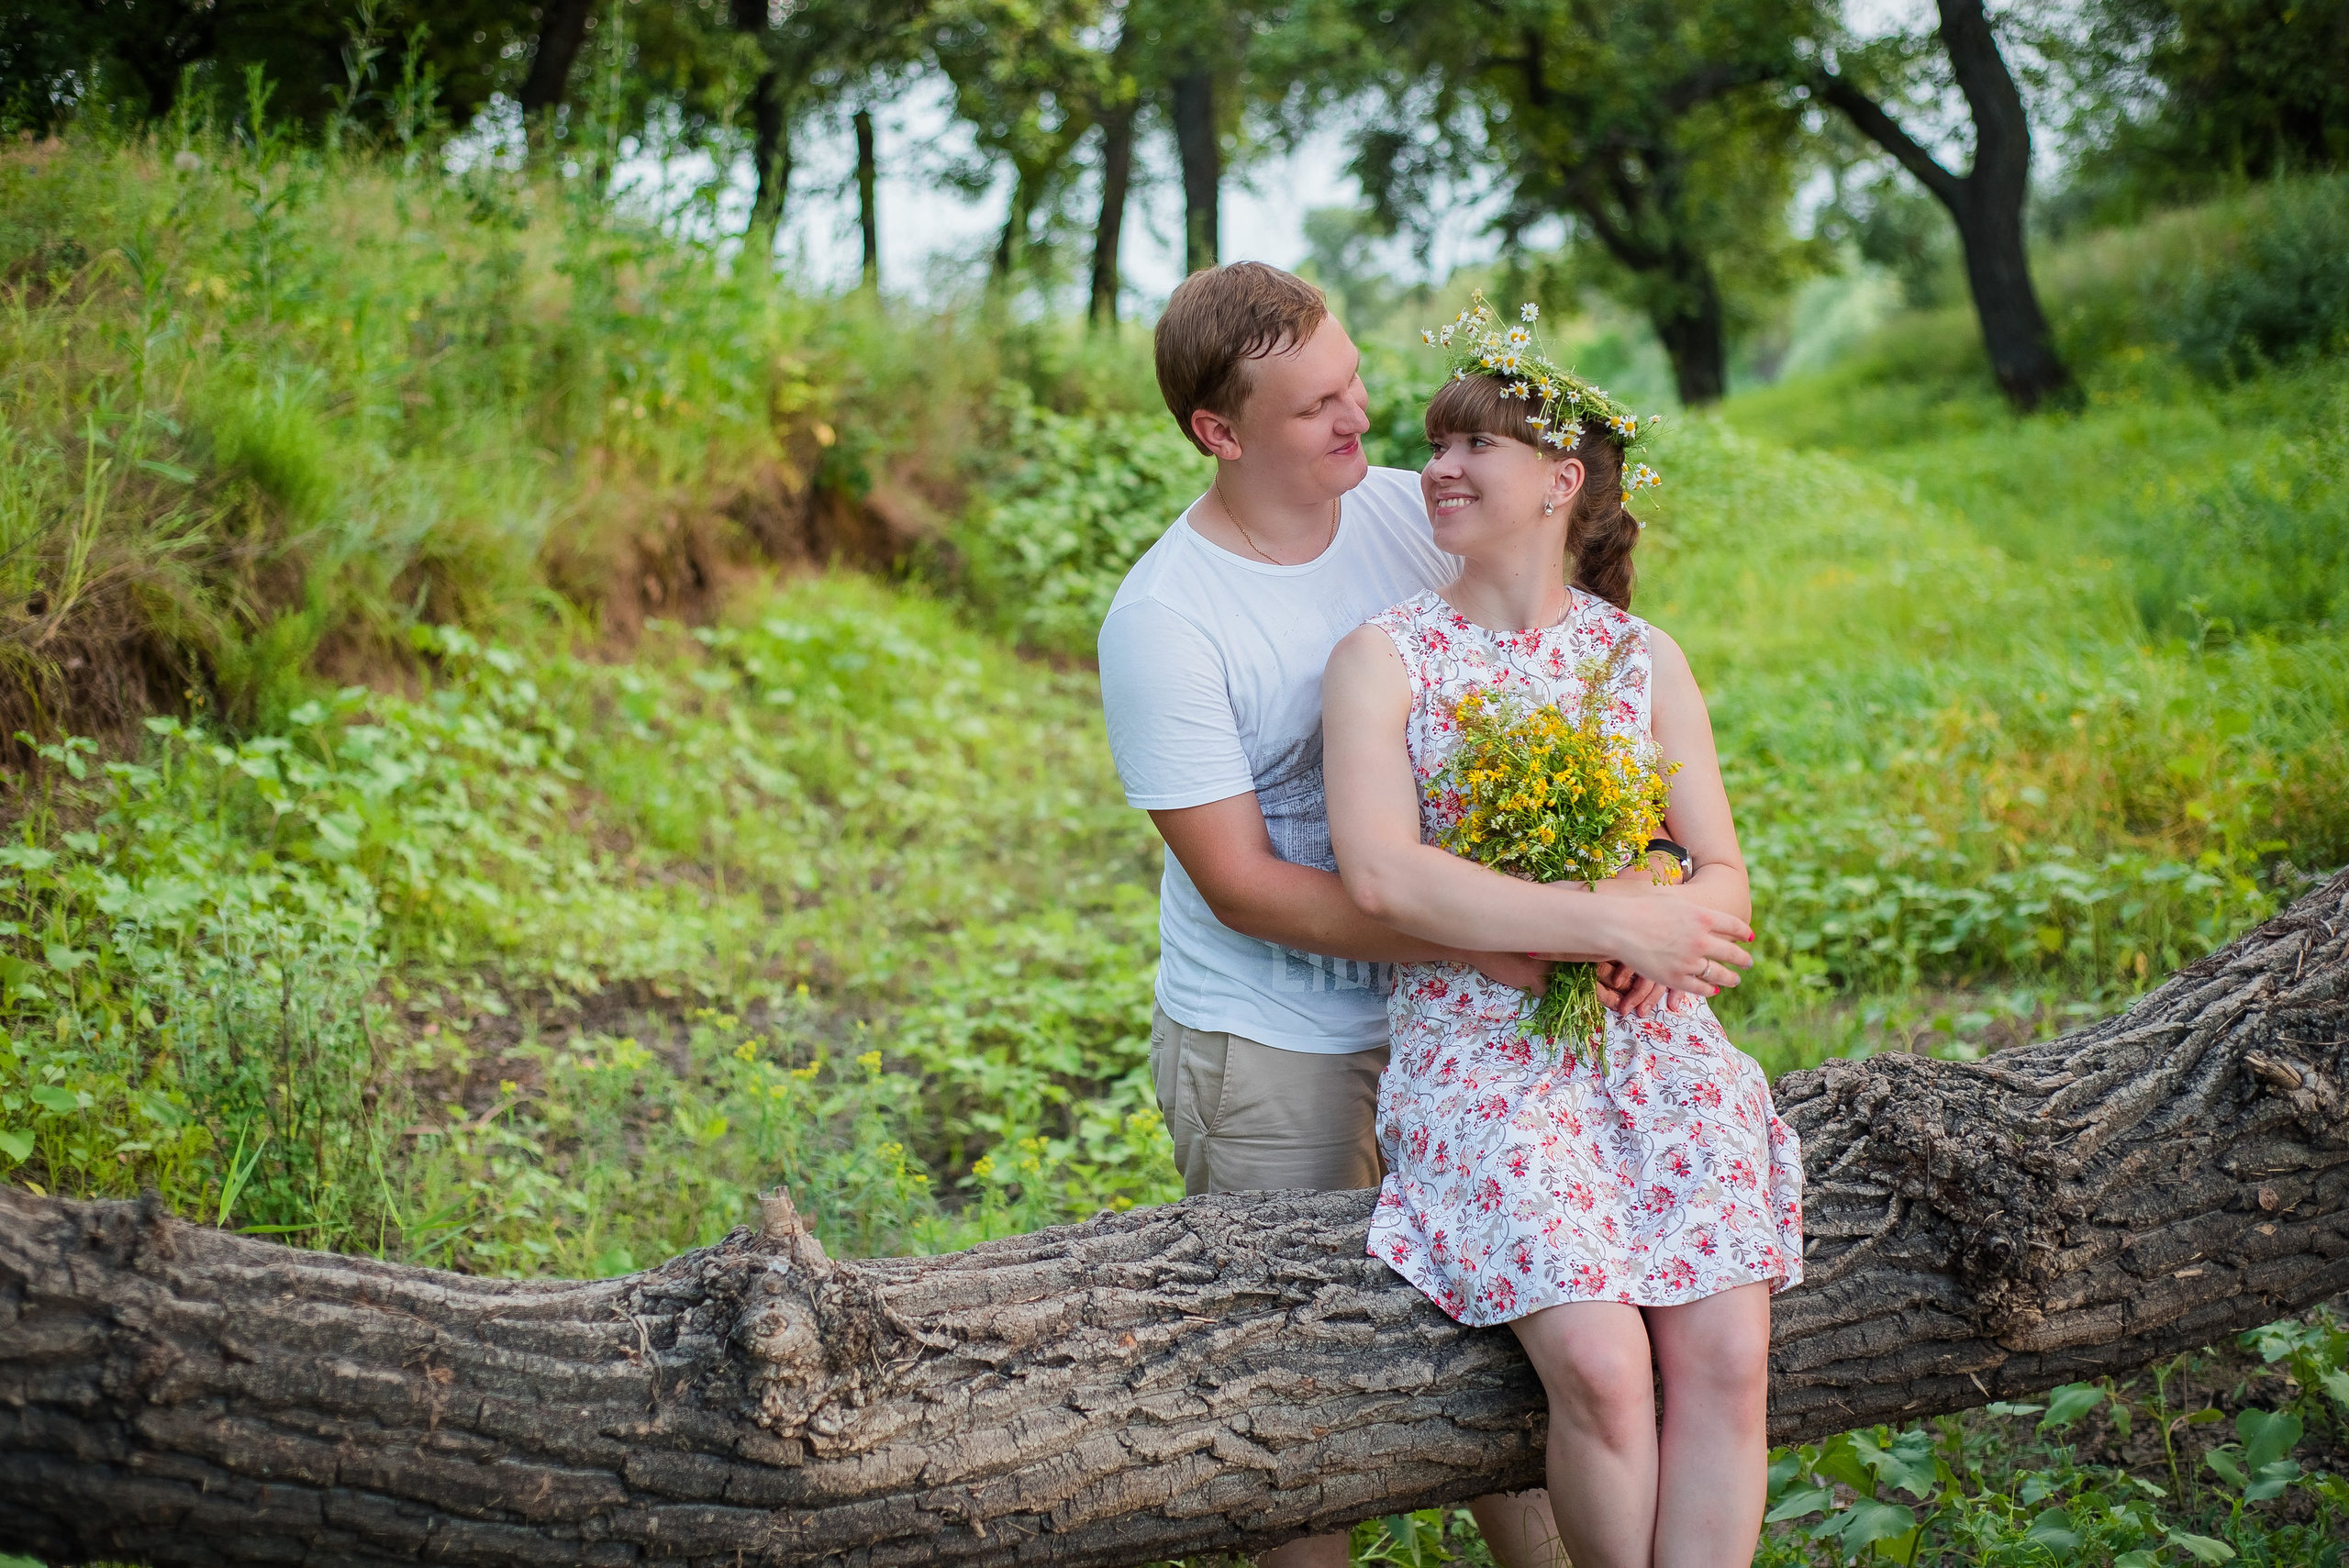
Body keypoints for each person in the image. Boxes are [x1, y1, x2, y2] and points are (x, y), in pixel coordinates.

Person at [1321, 302, 1807, 1568]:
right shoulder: (1385, 658)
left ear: (1561, 480)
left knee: (1727, 1352)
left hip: (1656, 1047)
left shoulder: (1640, 658)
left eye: (1473, 444)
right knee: (1598, 1363)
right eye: (1433, 442)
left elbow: (1722, 877)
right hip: (1477, 1049)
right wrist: (1605, 920)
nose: (1438, 467)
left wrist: (1668, 933)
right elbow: (1384, 878)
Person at [1097, 263, 1566, 1568]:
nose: (1364, 417)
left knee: (1512, 1343)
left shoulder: (1412, 518)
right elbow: (1241, 881)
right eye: (1318, 407)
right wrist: (1493, 932)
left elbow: (1558, 643)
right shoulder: (1167, 620)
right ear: (1219, 431)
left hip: (1455, 1021)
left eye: (1356, 379)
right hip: (1271, 1046)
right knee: (1298, 1412)